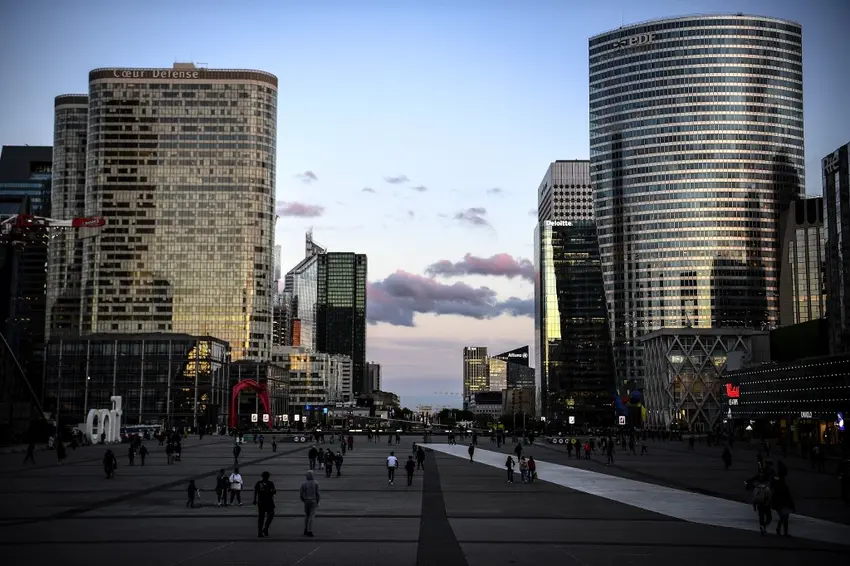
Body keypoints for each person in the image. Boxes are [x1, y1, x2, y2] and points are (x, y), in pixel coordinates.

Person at [253, 471, 277, 538]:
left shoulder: (259, 483)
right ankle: (265, 528)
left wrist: (254, 500)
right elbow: (274, 491)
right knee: (271, 514)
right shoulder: (270, 483)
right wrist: (272, 491)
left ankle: (260, 531)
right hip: (268, 501)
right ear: (268, 476)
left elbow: (255, 491)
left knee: (261, 517)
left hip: (261, 501)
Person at [300, 470, 320, 537]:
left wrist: (303, 500)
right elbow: (317, 494)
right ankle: (310, 530)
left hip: (306, 500)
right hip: (313, 500)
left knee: (307, 515)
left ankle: (305, 528)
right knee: (312, 516)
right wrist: (318, 501)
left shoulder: (304, 483)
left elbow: (301, 494)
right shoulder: (316, 483)